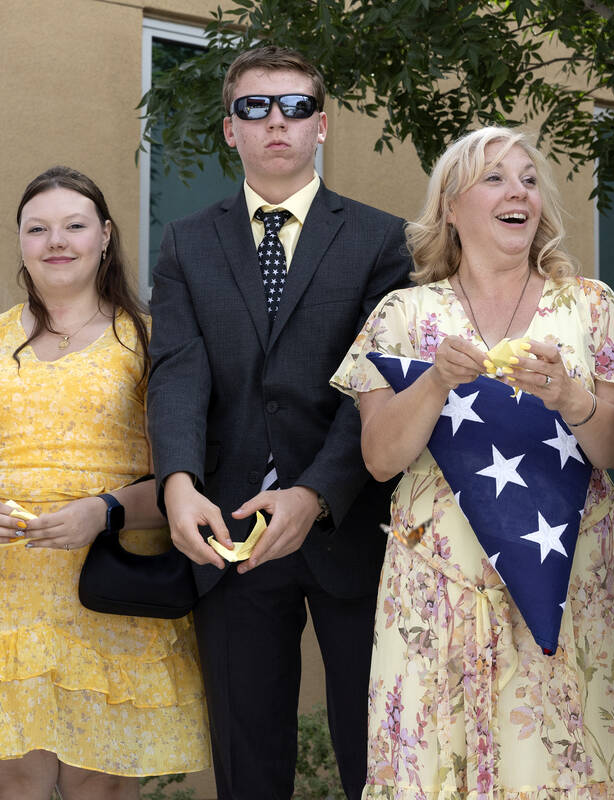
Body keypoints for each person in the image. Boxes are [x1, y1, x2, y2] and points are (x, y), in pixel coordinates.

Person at [330, 126, 614, 799]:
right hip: (439, 595)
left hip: (572, 592)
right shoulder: (402, 315)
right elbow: (378, 459)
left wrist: (570, 397)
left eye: (527, 178)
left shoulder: (591, 306)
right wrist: (433, 384)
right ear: (451, 208)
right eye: (494, 177)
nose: (518, 189)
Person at [146, 46, 411, 799]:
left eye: (295, 107)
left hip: (350, 526)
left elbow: (375, 383)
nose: (276, 123)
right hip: (227, 530)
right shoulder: (186, 243)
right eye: (254, 107)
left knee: (375, 758)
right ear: (229, 128)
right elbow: (177, 374)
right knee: (248, 762)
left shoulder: (380, 240)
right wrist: (177, 483)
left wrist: (316, 494)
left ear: (320, 125)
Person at [0, 166, 209, 800]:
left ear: (106, 236)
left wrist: (104, 511)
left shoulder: (148, 341)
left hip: (109, 586)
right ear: (20, 243)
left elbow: (187, 471)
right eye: (37, 228)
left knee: (101, 781)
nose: (55, 241)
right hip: (12, 595)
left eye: (73, 225)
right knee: (14, 775)